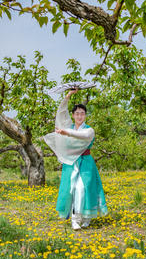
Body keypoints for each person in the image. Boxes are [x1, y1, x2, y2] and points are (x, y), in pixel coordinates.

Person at [43, 89, 108, 230]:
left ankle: (86, 217)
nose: (79, 116)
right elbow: (61, 114)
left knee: (83, 188)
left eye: (82, 113)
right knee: (71, 189)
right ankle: (75, 219)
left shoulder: (89, 130)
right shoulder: (69, 126)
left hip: (86, 162)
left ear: (85, 116)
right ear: (73, 115)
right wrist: (68, 96)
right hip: (71, 163)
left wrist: (66, 132)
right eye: (77, 113)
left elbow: (81, 136)